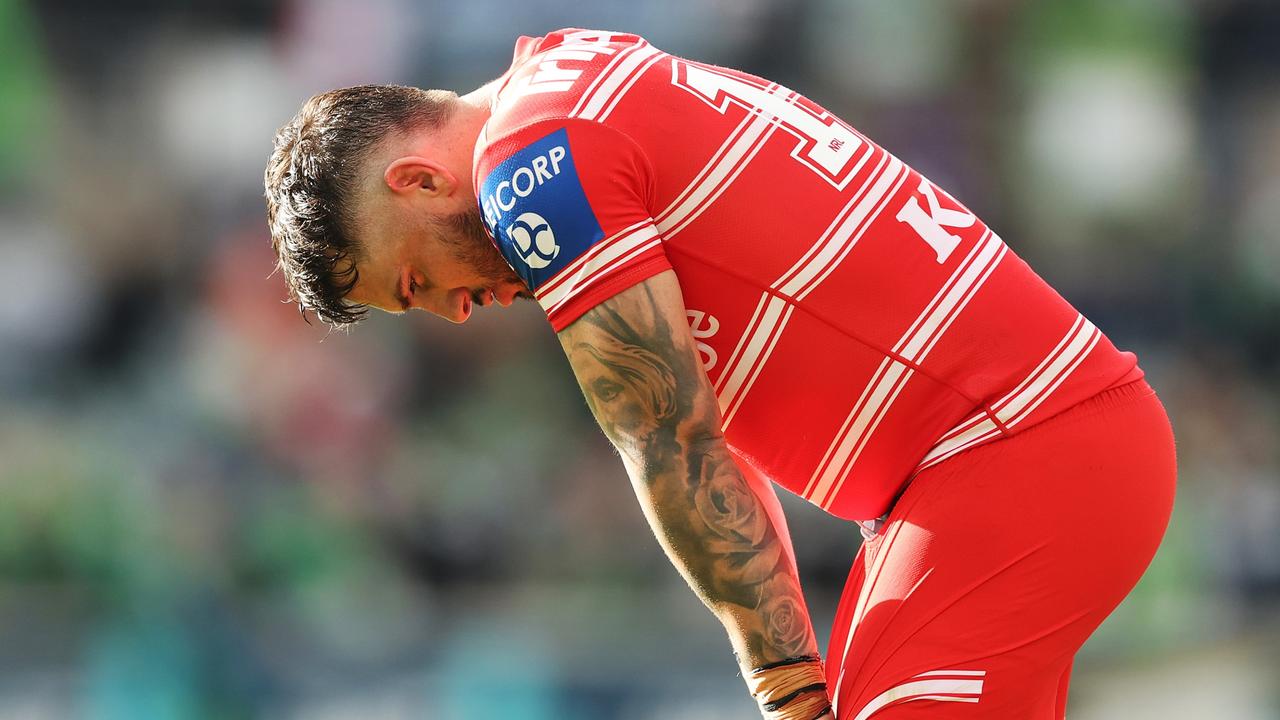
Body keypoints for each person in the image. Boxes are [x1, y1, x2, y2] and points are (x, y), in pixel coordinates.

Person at [263, 29, 1176, 720]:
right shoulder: (574, 74)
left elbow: (662, 430)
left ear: (418, 182)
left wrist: (781, 683)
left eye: (416, 281)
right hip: (981, 475)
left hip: (1014, 452)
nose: (451, 310)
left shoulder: (531, 167)